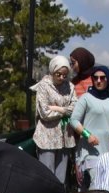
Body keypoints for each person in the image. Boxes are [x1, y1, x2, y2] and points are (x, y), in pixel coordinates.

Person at [70, 66, 109, 190]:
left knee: (108, 187)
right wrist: (87, 134)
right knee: (95, 187)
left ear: (108, 79)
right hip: (90, 152)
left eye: (102, 77)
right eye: (95, 78)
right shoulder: (86, 98)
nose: (99, 81)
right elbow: (73, 120)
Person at [32, 55, 77, 184]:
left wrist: (58, 109)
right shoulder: (43, 86)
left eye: (64, 75)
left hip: (65, 137)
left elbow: (75, 107)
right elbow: (45, 113)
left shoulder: (70, 86)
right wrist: (65, 111)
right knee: (47, 175)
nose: (62, 78)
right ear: (52, 71)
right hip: (47, 136)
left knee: (61, 178)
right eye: (59, 74)